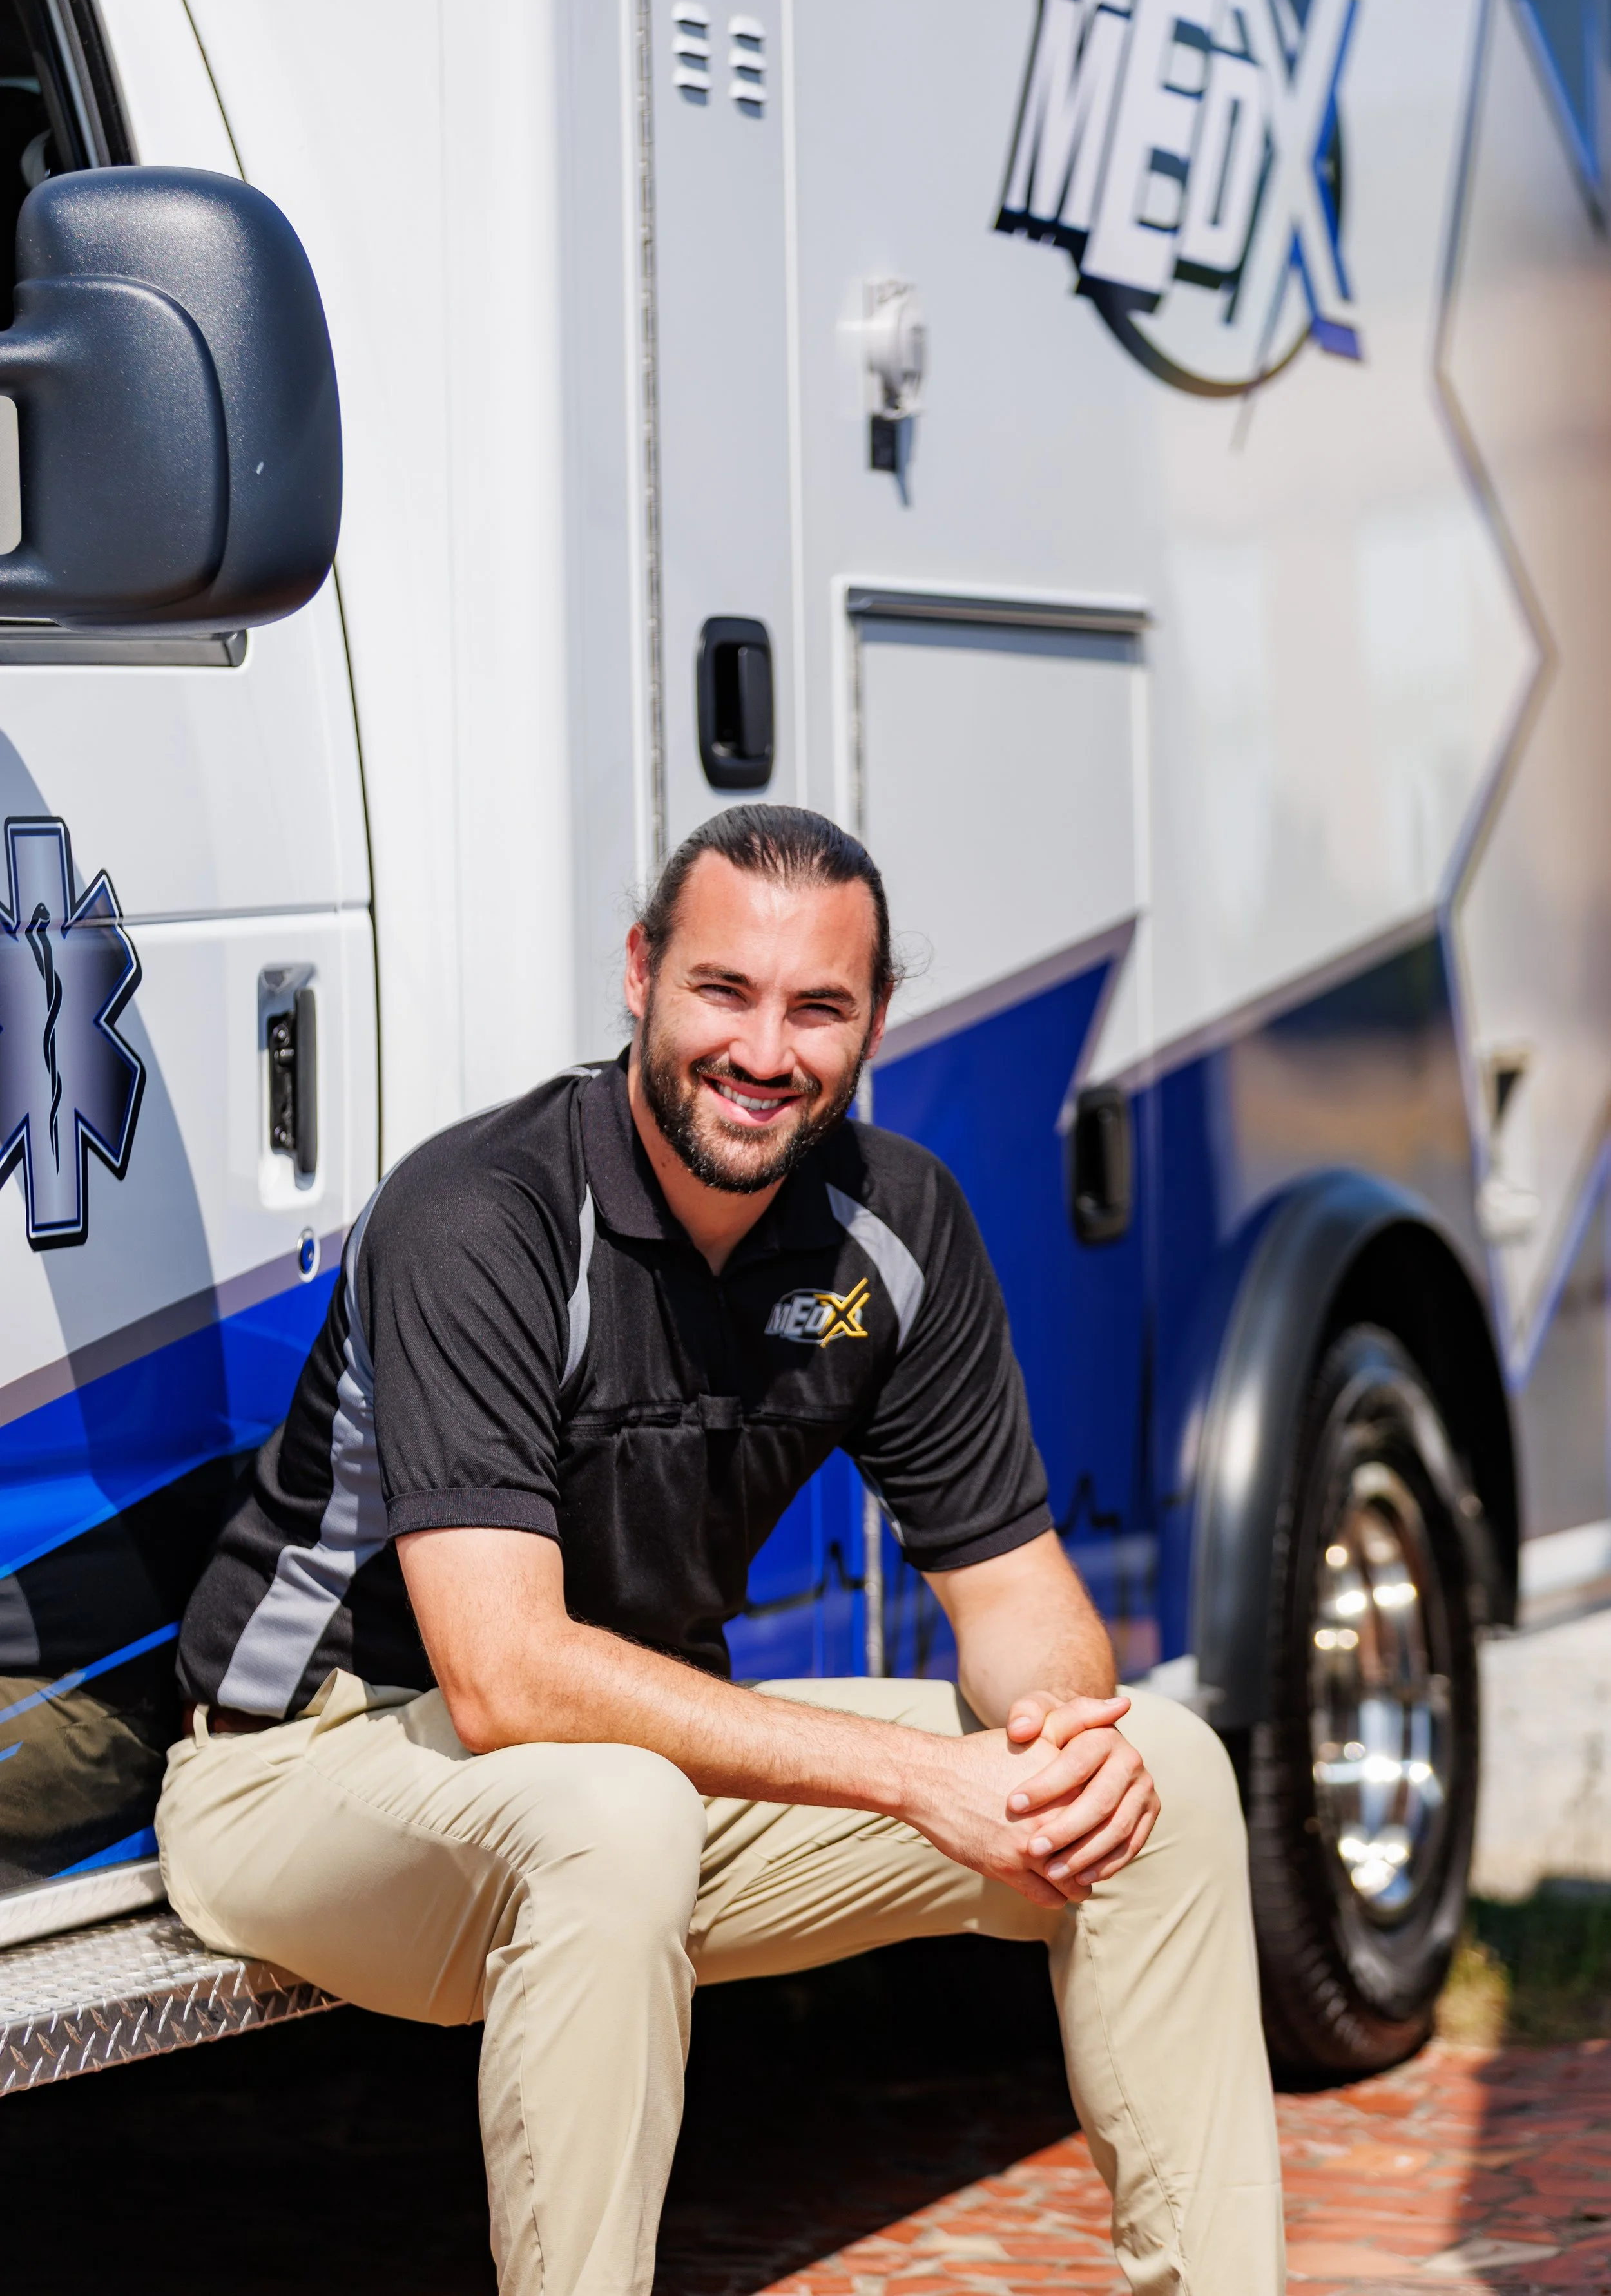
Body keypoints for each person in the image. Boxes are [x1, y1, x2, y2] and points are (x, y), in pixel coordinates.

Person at [158, 803, 1284, 2296]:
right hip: (310, 1772)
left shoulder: (896, 1225)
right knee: (614, 1815)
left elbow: (1019, 1603)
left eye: (817, 1006)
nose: (764, 1052)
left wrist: (1058, 1741)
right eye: (721, 991)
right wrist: (922, 1777)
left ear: (874, 1021)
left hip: (641, 1779)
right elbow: (503, 1680)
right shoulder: (479, 1216)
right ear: (639, 974)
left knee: (1165, 1776)